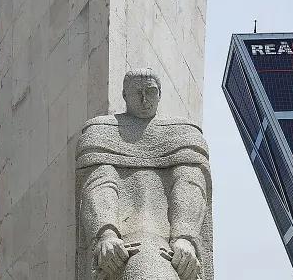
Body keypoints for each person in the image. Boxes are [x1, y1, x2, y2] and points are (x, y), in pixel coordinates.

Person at [76, 68, 212, 280]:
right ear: (124, 95)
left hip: (168, 242)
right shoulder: (102, 131)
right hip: (124, 241)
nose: (144, 99)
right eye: (136, 92)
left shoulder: (182, 132)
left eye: (150, 91)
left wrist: (185, 237)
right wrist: (106, 234)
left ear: (160, 94)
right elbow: (99, 183)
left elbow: (190, 184)